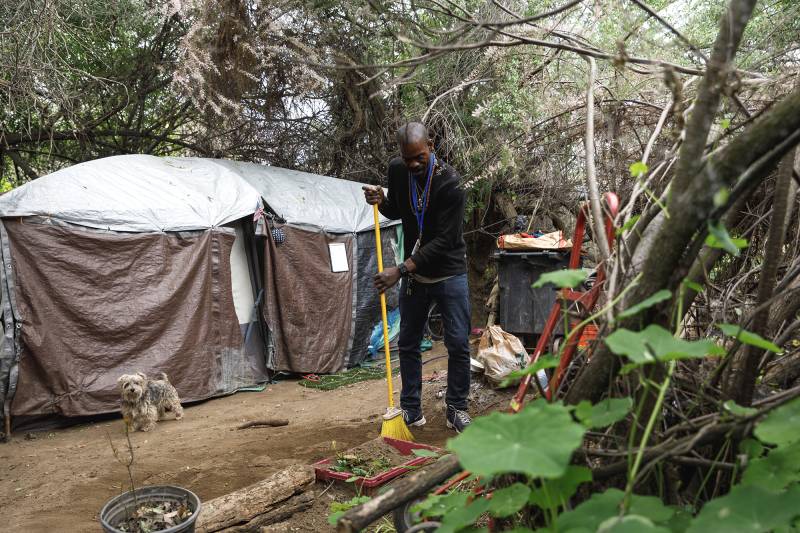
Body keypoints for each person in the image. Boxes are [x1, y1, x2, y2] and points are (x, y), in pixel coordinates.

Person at [363, 122, 472, 433]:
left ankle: (457, 408)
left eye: (419, 158)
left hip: (449, 272)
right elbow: (399, 209)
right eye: (407, 158)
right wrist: (380, 201)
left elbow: (445, 241)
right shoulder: (399, 170)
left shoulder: (450, 183)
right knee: (408, 343)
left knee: (458, 343)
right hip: (415, 273)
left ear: (431, 147)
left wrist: (400, 270)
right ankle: (411, 409)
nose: (413, 165)